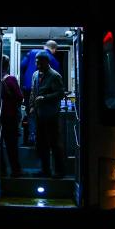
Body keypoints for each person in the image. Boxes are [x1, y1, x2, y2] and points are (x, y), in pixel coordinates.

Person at [29, 50, 66, 178]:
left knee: (55, 144)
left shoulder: (55, 76)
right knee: (41, 144)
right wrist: (31, 106)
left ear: (46, 61)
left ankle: (59, 172)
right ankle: (45, 170)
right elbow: (33, 92)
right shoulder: (34, 75)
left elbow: (60, 93)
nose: (36, 63)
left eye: (39, 61)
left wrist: (44, 98)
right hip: (39, 115)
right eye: (36, 60)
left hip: (52, 115)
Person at [20, 40, 61, 145]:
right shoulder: (54, 61)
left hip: (27, 88)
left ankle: (32, 135)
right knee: (43, 113)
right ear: (54, 49)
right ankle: (43, 137)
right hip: (44, 93)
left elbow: (21, 66)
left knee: (31, 112)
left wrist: (24, 81)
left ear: (44, 47)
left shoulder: (31, 53)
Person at [0, 55, 24, 177]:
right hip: (10, 117)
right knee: (11, 146)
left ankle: (1, 170)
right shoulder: (11, 80)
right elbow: (20, 97)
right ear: (7, 65)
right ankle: (16, 170)